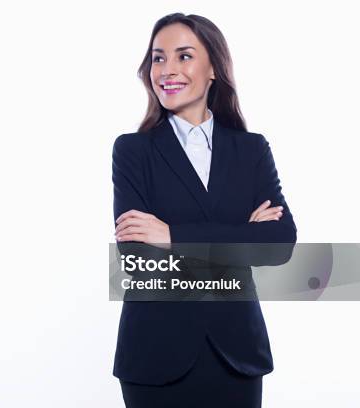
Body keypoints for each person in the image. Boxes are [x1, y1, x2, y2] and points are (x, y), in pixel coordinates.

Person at [111, 13, 297, 407]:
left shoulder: (251, 150)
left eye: (183, 56)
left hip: (236, 354)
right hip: (154, 354)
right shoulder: (132, 151)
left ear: (214, 67)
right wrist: (240, 236)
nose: (167, 70)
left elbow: (278, 244)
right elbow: (138, 259)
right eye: (158, 58)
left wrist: (172, 235)